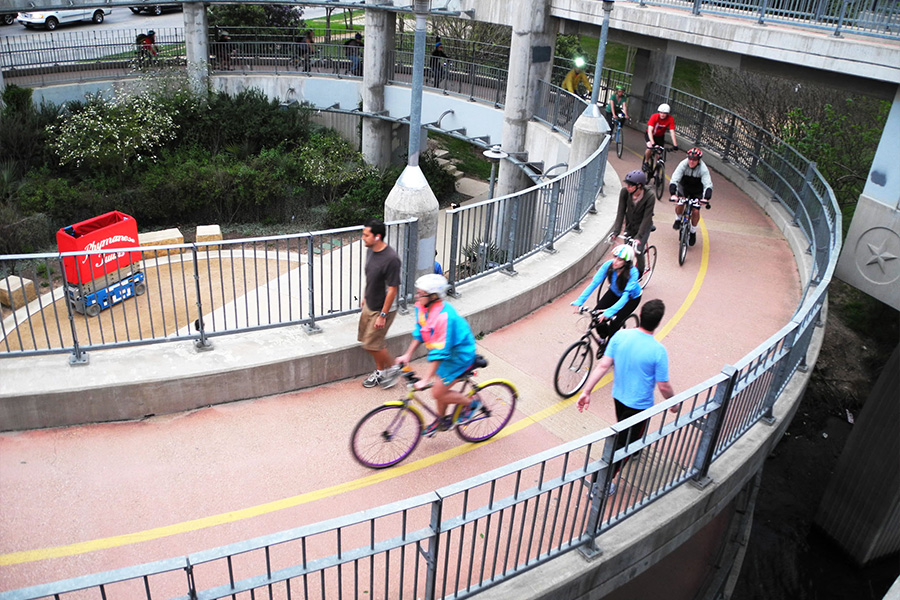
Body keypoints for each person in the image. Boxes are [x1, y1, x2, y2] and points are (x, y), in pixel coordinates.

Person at [576, 299, 675, 495]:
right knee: (623, 445)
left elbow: (603, 366)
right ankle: (600, 484)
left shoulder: (620, 336)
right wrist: (673, 402)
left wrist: (586, 391)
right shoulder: (658, 351)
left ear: (641, 315)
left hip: (619, 396)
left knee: (625, 432)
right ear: (658, 322)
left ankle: (634, 449)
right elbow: (663, 385)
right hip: (639, 405)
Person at [396, 274, 480, 437]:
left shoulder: (444, 317)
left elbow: (439, 351)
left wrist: (426, 379)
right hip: (448, 354)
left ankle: (471, 404)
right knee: (440, 388)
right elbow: (421, 331)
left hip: (459, 356)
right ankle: (441, 420)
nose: (417, 296)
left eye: (420, 294)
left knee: (437, 392)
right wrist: (407, 355)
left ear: (433, 297)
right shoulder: (423, 307)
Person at [359, 219, 402, 389]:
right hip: (370, 304)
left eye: (366, 235)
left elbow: (392, 290)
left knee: (371, 344)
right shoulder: (370, 251)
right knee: (371, 342)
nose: (363, 238)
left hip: (383, 309)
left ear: (377, 237)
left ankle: (392, 369)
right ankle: (381, 372)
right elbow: (370, 276)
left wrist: (383, 315)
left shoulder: (391, 259)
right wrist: (365, 296)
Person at [571, 244, 642, 342]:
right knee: (596, 316)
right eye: (615, 257)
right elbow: (594, 284)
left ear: (626, 262)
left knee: (615, 323)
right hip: (614, 293)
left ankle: (612, 345)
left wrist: (610, 311)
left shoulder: (633, 273)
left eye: (620, 260)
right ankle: (603, 336)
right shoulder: (608, 265)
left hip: (631, 298)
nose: (615, 261)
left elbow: (625, 296)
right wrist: (580, 301)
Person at [611, 169, 655, 275]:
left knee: (638, 250)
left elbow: (647, 218)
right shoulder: (624, 192)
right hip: (630, 225)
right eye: (627, 184)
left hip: (643, 227)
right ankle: (625, 274)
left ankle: (639, 274)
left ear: (639, 186)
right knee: (626, 253)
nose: (627, 187)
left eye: (630, 185)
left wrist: (638, 237)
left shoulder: (650, 196)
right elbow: (621, 212)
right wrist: (616, 231)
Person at [669, 147, 714, 247]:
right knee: (680, 203)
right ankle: (678, 218)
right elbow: (674, 179)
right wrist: (673, 194)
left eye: (694, 160)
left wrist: (706, 198)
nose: (691, 161)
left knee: (696, 211)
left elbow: (708, 185)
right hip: (684, 187)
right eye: (690, 159)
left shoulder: (703, 169)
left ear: (699, 161)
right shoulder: (683, 164)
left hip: (697, 190)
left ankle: (693, 231)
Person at [644, 103, 678, 168]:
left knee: (659, 152)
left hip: (660, 136)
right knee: (650, 147)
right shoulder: (654, 117)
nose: (662, 115)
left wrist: (675, 145)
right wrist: (653, 143)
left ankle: (658, 167)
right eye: (661, 112)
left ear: (667, 114)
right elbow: (650, 130)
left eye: (664, 113)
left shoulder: (670, 119)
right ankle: (646, 162)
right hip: (650, 135)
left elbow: (672, 132)